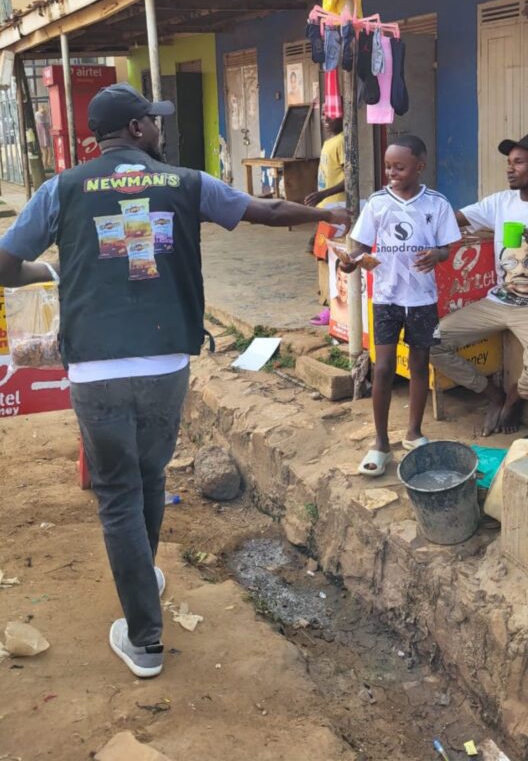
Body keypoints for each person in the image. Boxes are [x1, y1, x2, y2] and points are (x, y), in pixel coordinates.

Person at [0, 83, 350, 680]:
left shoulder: (61, 189)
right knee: (149, 477)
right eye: (153, 122)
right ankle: (145, 584)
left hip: (97, 366)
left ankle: (145, 638)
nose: (161, 129)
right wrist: (326, 213)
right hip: (165, 361)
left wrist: (45, 270)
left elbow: (5, 264)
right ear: (135, 130)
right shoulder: (185, 182)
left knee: (117, 497)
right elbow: (263, 212)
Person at [430, 133, 528, 437]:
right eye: (508, 162)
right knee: (431, 341)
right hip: (497, 302)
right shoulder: (499, 203)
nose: (510, 168)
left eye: (518, 162)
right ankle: (494, 396)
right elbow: (454, 220)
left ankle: (514, 399)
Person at [340, 135, 460, 477]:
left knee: (421, 365)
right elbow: (360, 245)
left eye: (400, 167)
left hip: (422, 298)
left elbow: (447, 247)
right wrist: (350, 261)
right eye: (388, 166)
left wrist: (437, 254)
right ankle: (379, 441)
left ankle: (413, 432)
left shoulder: (436, 204)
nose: (392, 172)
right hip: (386, 297)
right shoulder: (378, 203)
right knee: (383, 368)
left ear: (419, 167)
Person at [304, 115, 345, 326]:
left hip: (337, 209)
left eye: (331, 115)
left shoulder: (343, 141)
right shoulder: (330, 142)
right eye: (324, 114)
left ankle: (332, 308)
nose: (325, 119)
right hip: (326, 208)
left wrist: (323, 194)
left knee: (330, 258)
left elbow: (351, 177)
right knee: (320, 254)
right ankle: (328, 300)